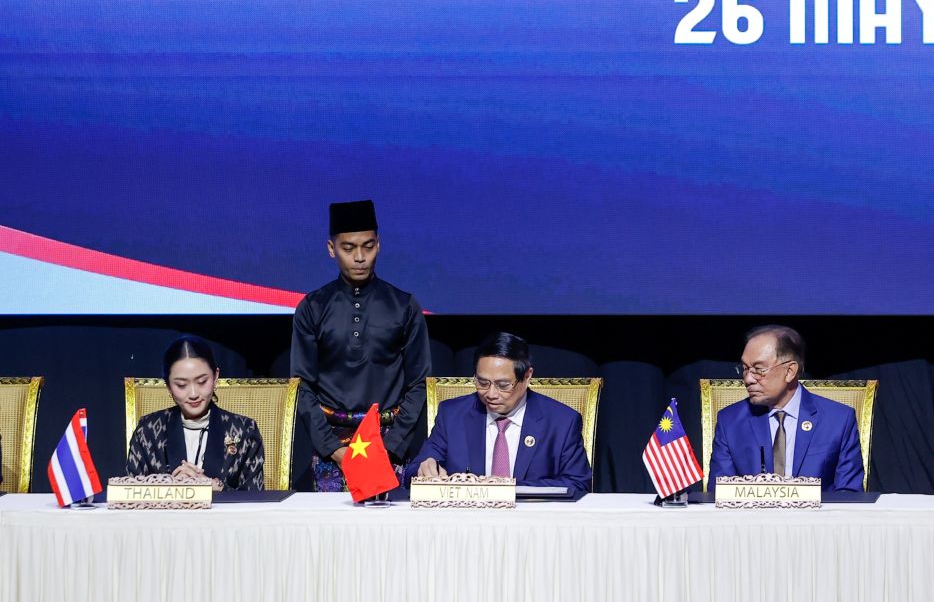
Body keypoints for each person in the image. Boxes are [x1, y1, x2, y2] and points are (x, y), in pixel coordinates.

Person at [291, 199, 431, 491]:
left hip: (387, 444)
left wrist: (390, 446)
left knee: (389, 533)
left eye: (368, 247)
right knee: (329, 533)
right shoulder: (313, 307)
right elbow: (303, 386)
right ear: (332, 249)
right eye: (348, 248)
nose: (359, 257)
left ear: (378, 245)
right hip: (331, 447)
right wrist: (333, 449)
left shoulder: (403, 305)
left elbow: (418, 384)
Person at [413, 332, 591, 494]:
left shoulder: (562, 422)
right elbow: (410, 474)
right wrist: (425, 470)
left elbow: (578, 483)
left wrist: (507, 489)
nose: (491, 394)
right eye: (482, 383)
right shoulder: (452, 415)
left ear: (527, 376)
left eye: (503, 385)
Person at [709, 325, 864, 491]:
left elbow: (849, 495)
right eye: (745, 368)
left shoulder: (839, 420)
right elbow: (720, 494)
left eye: (759, 369)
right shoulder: (730, 421)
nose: (748, 379)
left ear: (790, 371)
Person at [125, 335, 265, 490]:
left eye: (202, 382)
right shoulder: (148, 431)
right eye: (181, 385)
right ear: (168, 386)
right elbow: (131, 494)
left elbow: (255, 501)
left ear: (215, 377)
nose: (193, 393)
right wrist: (168, 489)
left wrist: (216, 487)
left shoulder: (245, 431)